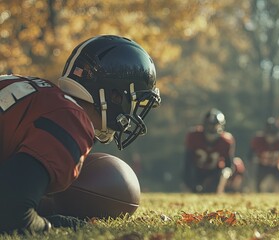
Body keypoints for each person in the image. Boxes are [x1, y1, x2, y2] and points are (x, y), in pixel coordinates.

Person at [0, 35, 161, 234]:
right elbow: (13, 216)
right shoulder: (71, 120)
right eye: (133, 102)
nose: (132, 113)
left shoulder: (39, 92)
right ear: (114, 96)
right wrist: (55, 225)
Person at [183, 108, 235, 193]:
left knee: (225, 173)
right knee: (191, 190)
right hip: (197, 171)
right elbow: (187, 163)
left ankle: (220, 191)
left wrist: (223, 180)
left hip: (215, 173)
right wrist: (189, 183)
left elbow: (229, 165)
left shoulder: (225, 141)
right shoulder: (194, 136)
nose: (212, 128)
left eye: (215, 125)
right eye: (209, 125)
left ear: (221, 126)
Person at [249, 117, 279, 192]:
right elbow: (250, 154)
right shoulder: (258, 141)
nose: (271, 138)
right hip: (263, 166)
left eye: (273, 135)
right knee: (258, 185)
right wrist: (253, 161)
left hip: (276, 166)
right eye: (269, 135)